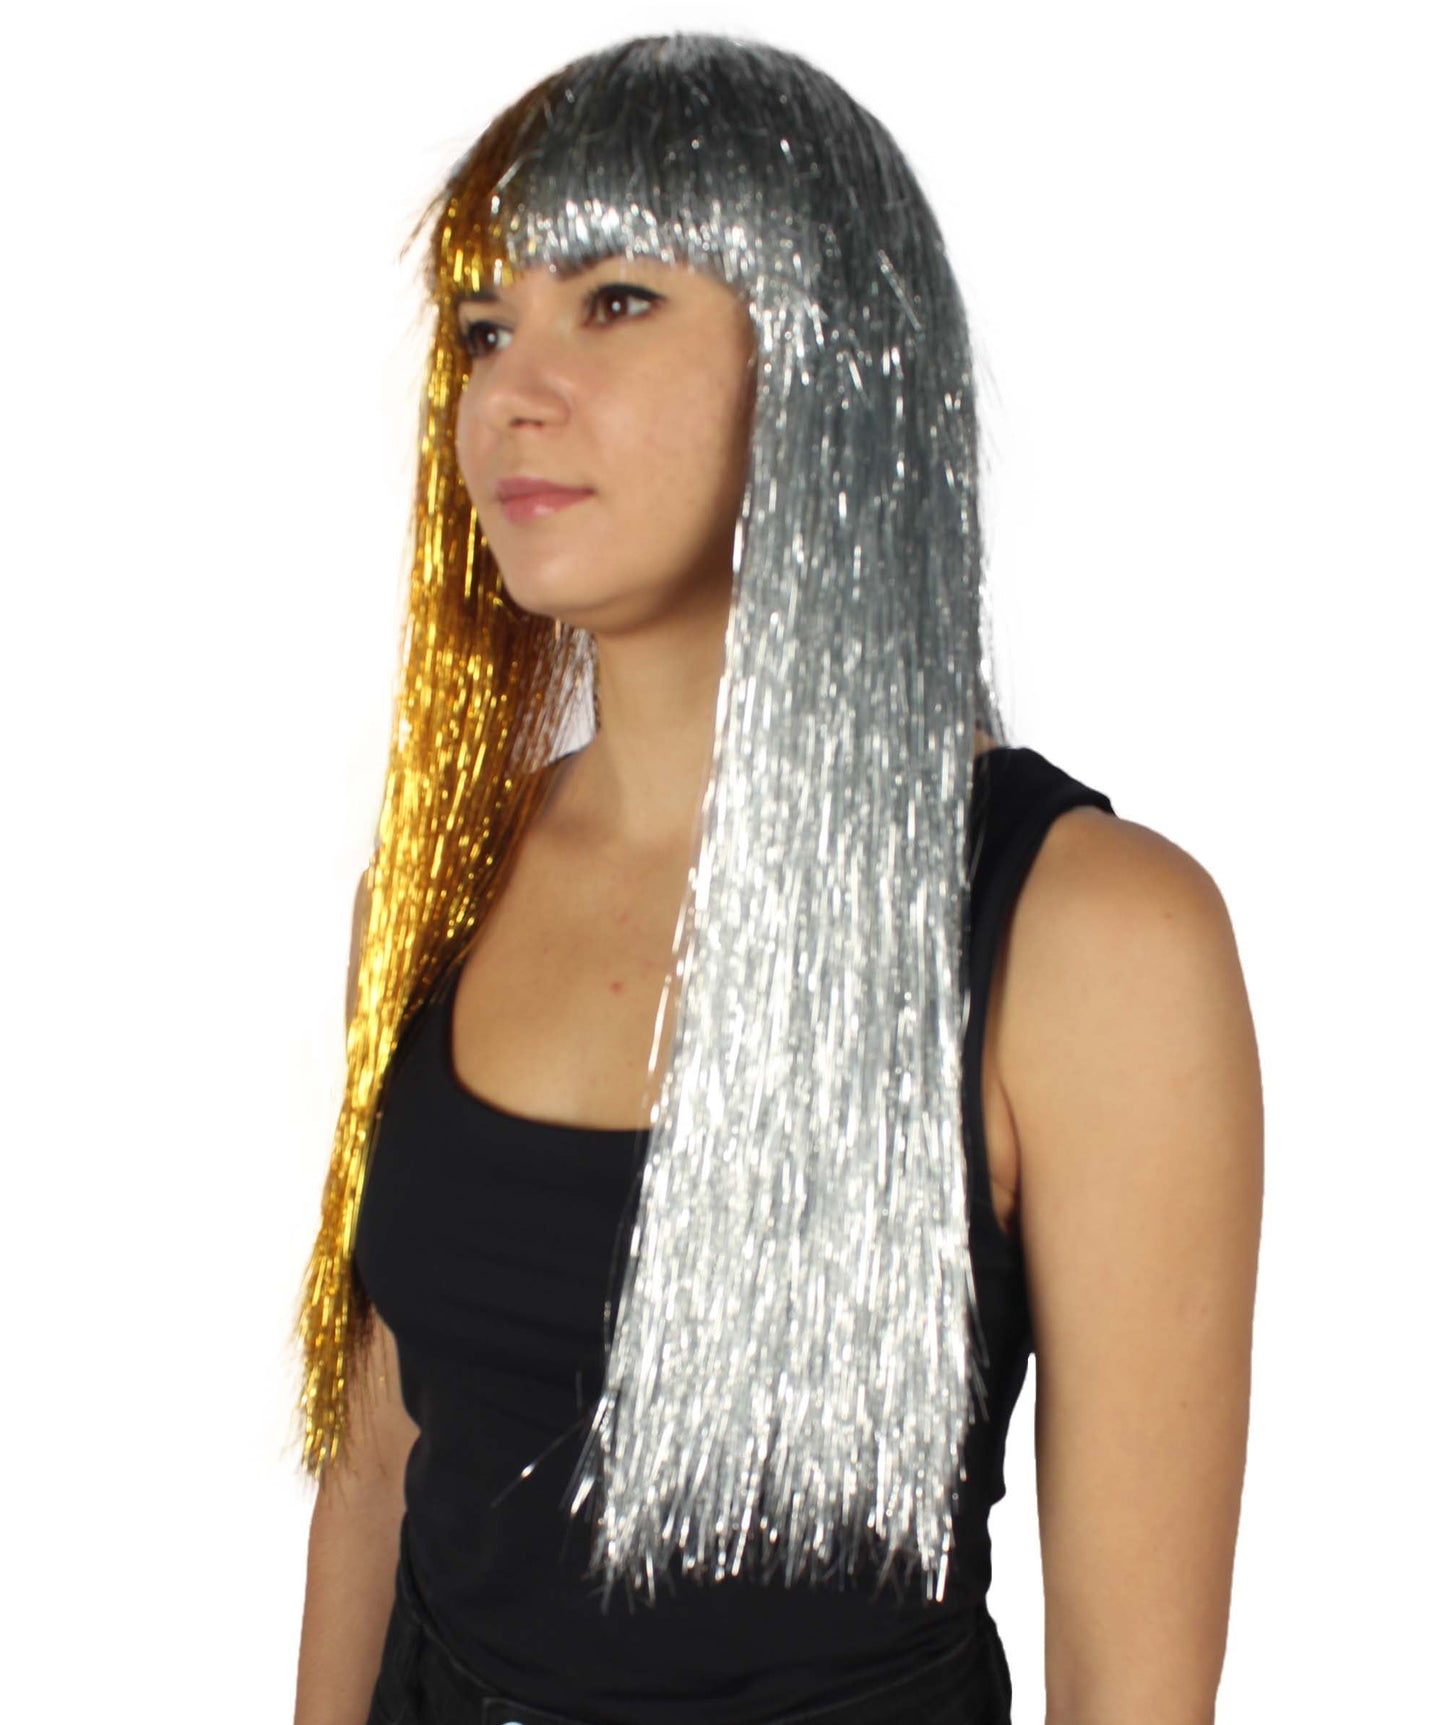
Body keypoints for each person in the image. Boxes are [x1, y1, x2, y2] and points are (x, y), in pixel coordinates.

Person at [291, 33, 1263, 1725]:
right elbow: (378, 1476)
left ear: (829, 360)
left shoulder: (1091, 940)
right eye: (483, 327)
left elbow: (1132, 1690)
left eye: (614, 300)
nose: (511, 392)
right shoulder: (437, 888)